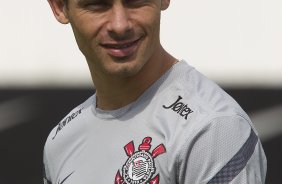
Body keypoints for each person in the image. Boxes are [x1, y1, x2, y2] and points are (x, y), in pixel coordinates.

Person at [43, 0, 267, 183]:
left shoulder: (213, 128)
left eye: (135, 1)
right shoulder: (60, 139)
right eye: (98, 4)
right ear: (60, 7)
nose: (120, 25)